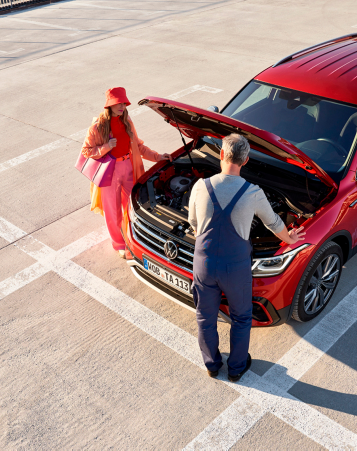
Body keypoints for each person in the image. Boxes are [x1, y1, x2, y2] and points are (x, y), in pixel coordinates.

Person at [188, 134, 305, 382]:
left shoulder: (200, 186)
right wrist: (291, 238)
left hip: (204, 263)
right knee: (241, 317)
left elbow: (194, 224)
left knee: (204, 317)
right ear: (246, 160)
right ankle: (236, 369)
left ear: (221, 154)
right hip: (235, 268)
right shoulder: (253, 192)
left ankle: (211, 364)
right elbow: (273, 223)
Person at [82, 87, 171, 258]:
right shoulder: (98, 127)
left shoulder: (127, 121)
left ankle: (133, 238)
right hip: (110, 172)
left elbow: (138, 146)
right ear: (109, 105)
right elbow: (87, 151)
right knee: (112, 210)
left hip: (128, 167)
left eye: (124, 103)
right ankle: (119, 244)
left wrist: (158, 156)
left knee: (131, 206)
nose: (122, 106)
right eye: (118, 103)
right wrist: (106, 147)